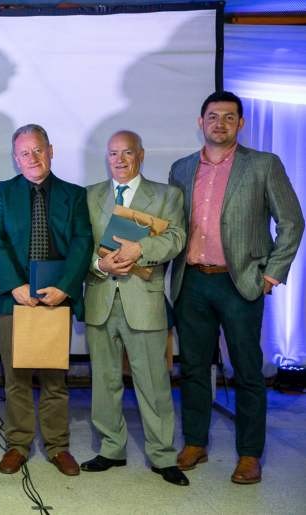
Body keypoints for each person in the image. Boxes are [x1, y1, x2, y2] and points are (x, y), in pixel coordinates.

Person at [169, 91, 304, 485]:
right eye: (213, 116)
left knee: (246, 370)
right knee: (193, 368)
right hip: (191, 281)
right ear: (200, 121)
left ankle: (249, 454)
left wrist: (271, 275)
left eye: (229, 117)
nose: (220, 124)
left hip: (239, 282)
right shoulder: (180, 169)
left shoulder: (263, 165)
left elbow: (292, 222)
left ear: (241, 124)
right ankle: (195, 442)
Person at [81, 130, 188, 486]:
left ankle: (162, 455)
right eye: (113, 154)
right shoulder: (90, 196)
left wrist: (139, 250)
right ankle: (111, 448)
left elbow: (175, 238)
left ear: (141, 155)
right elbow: (79, 247)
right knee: (104, 380)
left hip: (144, 300)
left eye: (127, 153)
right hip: (100, 298)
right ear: (106, 158)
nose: (120, 160)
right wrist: (101, 266)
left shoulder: (166, 195)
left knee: (154, 381)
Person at [0, 124, 92, 476]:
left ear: (51, 150)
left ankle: (58, 446)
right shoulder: (3, 192)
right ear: (16, 159)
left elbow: (81, 242)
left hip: (55, 299)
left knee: (54, 378)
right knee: (15, 377)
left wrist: (65, 286)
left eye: (38, 149)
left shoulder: (74, 195)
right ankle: (18, 445)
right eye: (25, 152)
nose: (33, 157)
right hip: (14, 300)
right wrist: (13, 284)